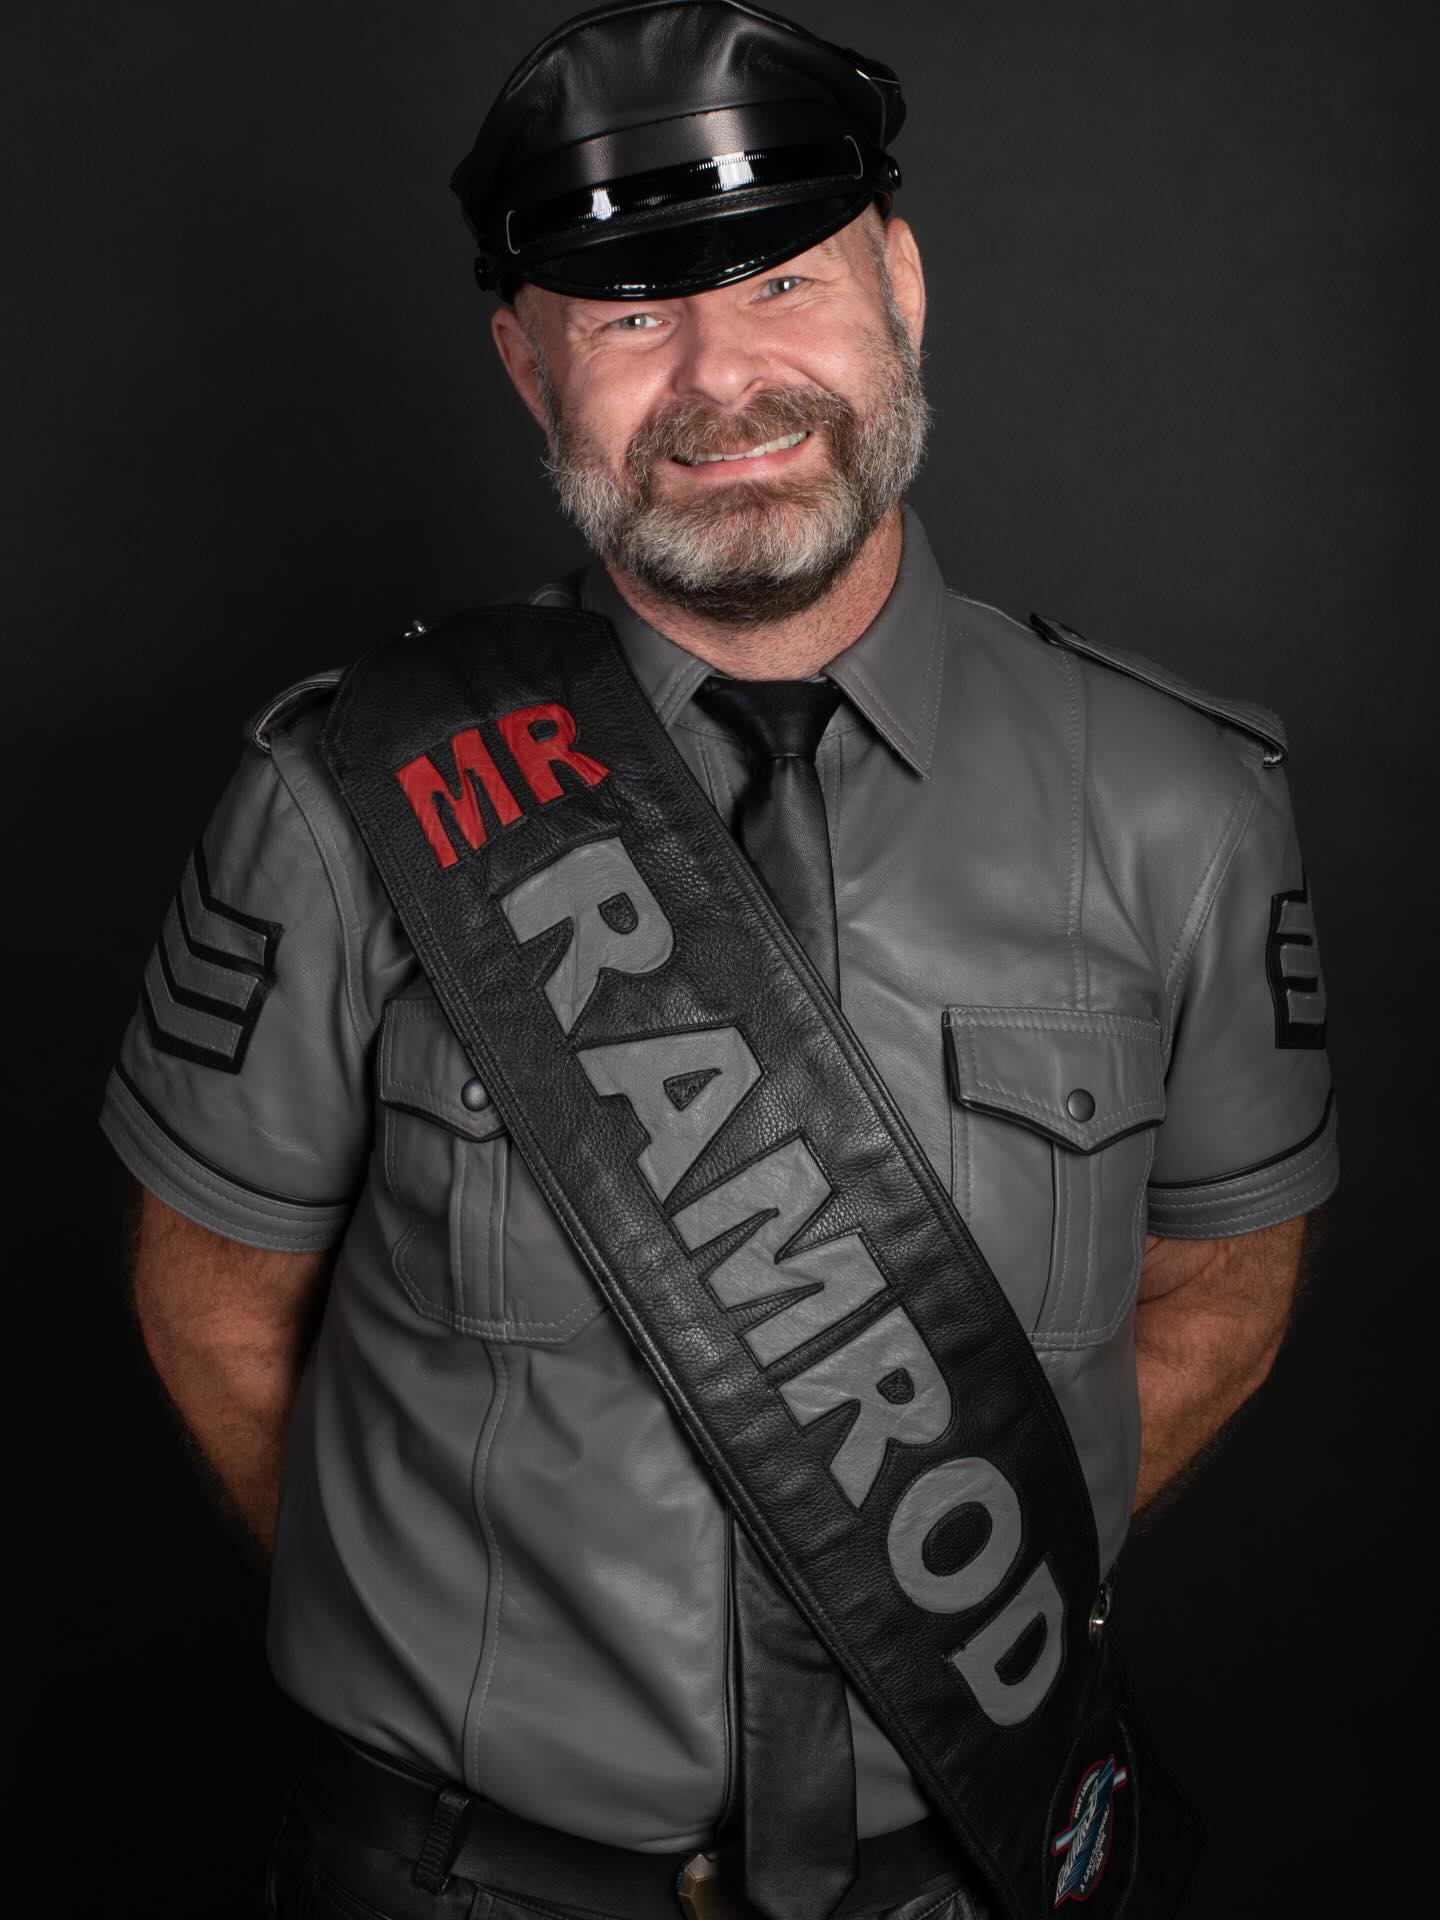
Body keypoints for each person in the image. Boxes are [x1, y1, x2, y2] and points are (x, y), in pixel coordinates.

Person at [103, 5, 1337, 1917]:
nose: (723, 377)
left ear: (899, 285)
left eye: (784, 283)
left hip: (968, 1864)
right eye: (628, 318)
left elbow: (1223, 1284)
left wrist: (955, 1607)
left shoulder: (1183, 808)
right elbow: (214, 1305)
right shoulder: (352, 797)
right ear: (529, 367)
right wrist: (445, 1650)